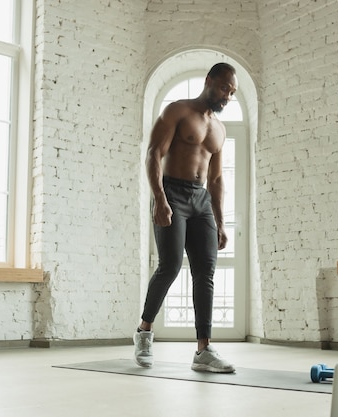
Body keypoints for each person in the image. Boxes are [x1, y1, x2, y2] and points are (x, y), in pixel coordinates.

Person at [134, 63, 238, 373]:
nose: (227, 96)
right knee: (170, 266)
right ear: (209, 81)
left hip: (200, 200)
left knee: (205, 273)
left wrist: (220, 221)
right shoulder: (177, 111)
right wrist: (160, 199)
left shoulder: (219, 129)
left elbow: (216, 180)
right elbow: (154, 152)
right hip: (172, 193)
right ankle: (144, 332)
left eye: (232, 93)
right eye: (224, 88)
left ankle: (203, 350)